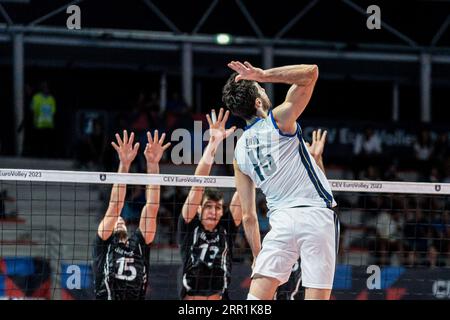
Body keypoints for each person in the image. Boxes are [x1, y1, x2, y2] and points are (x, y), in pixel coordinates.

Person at [223, 61, 338, 300]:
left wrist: (257, 255)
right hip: (315, 216)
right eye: (260, 89)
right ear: (257, 102)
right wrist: (262, 75)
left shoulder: (238, 153)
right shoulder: (278, 120)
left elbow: (248, 216)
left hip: (281, 224)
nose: (264, 91)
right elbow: (311, 73)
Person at [93, 130, 170, 300]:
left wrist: (152, 164)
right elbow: (115, 207)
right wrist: (124, 164)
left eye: (121, 219)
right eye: (115, 220)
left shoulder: (139, 244)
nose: (119, 219)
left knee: (148, 211)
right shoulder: (104, 243)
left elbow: (152, 207)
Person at [178, 108, 242, 300]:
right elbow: (198, 185)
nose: (213, 212)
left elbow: (244, 193)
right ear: (199, 208)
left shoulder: (226, 228)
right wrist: (213, 144)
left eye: (218, 207)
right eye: (208, 206)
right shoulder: (190, 225)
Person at [276, 128, 330, 300]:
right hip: (285, 244)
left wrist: (317, 159)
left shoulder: (313, 196)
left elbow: (325, 202)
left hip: (307, 247)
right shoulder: (284, 182)